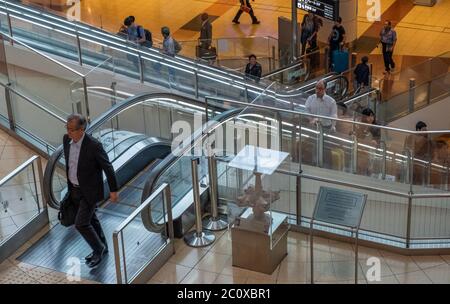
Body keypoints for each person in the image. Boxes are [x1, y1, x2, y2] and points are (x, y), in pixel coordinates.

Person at [64, 114, 118, 268]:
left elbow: (108, 167)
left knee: (81, 223)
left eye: (72, 129)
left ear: (82, 129)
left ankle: (98, 249)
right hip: (74, 190)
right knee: (91, 219)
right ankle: (104, 247)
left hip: (90, 191)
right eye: (67, 128)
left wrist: (113, 190)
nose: (68, 132)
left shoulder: (94, 145)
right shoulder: (66, 141)